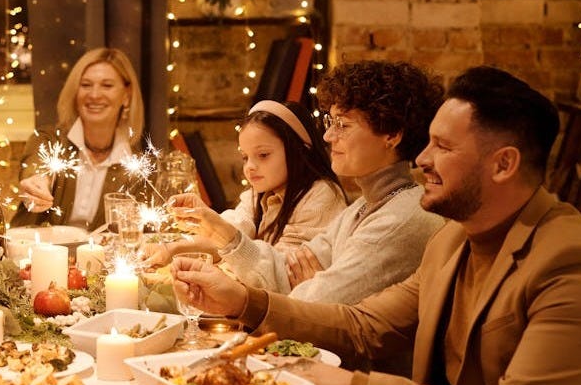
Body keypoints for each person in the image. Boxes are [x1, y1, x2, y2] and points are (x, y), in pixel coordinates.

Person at [173, 66, 581, 385]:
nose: (422, 159)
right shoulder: (454, 240)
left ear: (503, 164)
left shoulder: (573, 264)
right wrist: (241, 301)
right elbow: (362, 326)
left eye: (442, 147)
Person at [171, 60, 446, 304]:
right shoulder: (363, 207)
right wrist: (221, 233)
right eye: (331, 122)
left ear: (392, 134)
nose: (327, 137)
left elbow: (316, 305)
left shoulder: (400, 218)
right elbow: (283, 272)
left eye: (343, 125)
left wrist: (305, 286)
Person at [145, 100, 346, 266]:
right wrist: (172, 249)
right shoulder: (259, 194)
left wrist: (216, 230)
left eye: (263, 155)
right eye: (245, 157)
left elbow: (282, 270)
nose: (250, 166)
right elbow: (232, 233)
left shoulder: (321, 195)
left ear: (298, 150)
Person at [10, 47, 146, 231]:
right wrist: (37, 183)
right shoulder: (48, 140)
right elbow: (36, 166)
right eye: (86, 85)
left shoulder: (138, 169)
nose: (95, 95)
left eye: (107, 85)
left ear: (126, 96)